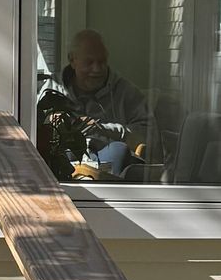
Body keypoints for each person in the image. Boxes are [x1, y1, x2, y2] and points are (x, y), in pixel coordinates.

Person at [46, 28, 151, 178]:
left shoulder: (125, 92)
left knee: (119, 150)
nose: (97, 69)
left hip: (110, 166)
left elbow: (149, 132)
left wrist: (103, 129)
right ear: (72, 60)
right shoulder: (51, 89)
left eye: (102, 62)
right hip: (65, 164)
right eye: (89, 62)